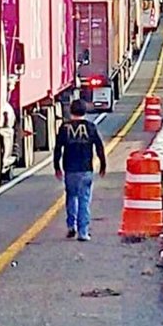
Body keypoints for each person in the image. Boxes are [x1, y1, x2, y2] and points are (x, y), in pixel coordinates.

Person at [54, 99, 106, 241]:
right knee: (84, 200)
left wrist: (57, 167)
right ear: (85, 111)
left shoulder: (64, 128)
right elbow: (99, 147)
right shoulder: (90, 127)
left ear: (71, 111)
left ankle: (71, 225)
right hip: (85, 169)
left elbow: (58, 148)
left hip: (70, 169)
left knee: (71, 197)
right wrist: (103, 164)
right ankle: (83, 232)